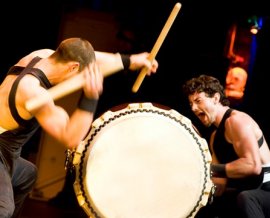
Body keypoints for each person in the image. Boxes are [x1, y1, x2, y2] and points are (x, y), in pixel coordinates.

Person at [0, 37, 158, 218]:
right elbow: (71, 138)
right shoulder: (32, 94)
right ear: (73, 67)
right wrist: (90, 98)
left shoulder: (40, 55)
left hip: (7, 152)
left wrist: (131, 61)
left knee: (27, 175)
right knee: (3, 209)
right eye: (79, 73)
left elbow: (89, 56)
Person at [182, 74, 270, 218]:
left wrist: (207, 168)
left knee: (246, 199)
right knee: (208, 205)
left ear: (216, 98)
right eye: (191, 103)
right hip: (249, 189)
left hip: (266, 189)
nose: (193, 108)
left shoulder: (237, 121)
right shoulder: (214, 137)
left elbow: (253, 166)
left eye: (198, 101)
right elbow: (219, 184)